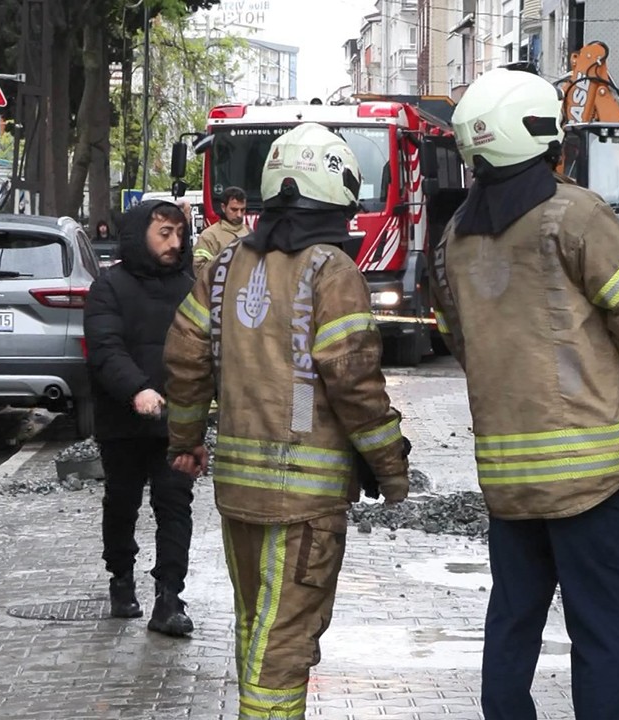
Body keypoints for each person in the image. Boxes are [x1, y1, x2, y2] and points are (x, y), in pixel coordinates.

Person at [427, 67, 619, 720]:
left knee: (512, 623)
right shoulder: (574, 213)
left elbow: (459, 339)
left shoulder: (452, 239)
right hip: (589, 474)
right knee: (602, 631)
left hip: (508, 480)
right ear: (543, 137)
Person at [163, 122, 410, 720]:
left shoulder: (223, 267)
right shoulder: (332, 271)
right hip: (305, 500)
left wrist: (187, 440)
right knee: (285, 641)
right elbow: (353, 381)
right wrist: (389, 467)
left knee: (256, 625)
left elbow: (185, 355)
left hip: (237, 489)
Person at [83, 199, 197, 637]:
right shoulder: (109, 287)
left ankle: (169, 596)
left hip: (177, 420)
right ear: (140, 235)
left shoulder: (190, 286)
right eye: (164, 233)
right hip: (124, 422)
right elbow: (106, 346)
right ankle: (121, 578)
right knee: (123, 501)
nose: (174, 243)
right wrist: (137, 389)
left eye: (179, 234)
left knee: (174, 506)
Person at [191, 186, 249, 275]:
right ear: (223, 207)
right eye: (234, 209)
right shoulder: (209, 236)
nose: (239, 215)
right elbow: (199, 270)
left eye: (243, 210)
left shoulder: (249, 231)